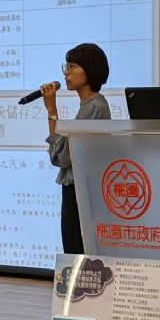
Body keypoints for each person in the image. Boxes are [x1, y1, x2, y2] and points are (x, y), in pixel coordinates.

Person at [40, 42, 111, 254]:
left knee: (76, 251)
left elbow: (62, 157)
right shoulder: (89, 106)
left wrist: (51, 110)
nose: (66, 73)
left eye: (72, 67)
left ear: (90, 70)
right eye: (66, 66)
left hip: (81, 190)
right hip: (78, 189)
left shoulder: (94, 107)